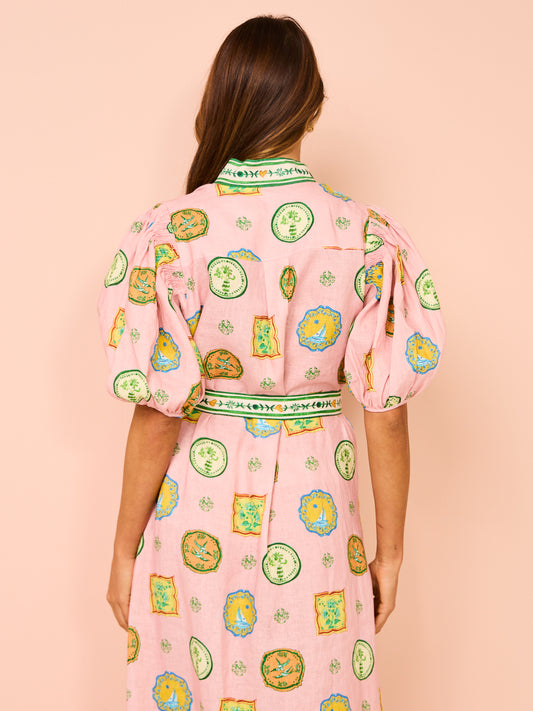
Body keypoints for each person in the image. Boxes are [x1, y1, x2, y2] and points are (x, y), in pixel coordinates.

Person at [97, 14, 446, 711]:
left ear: (221, 99)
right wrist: (390, 552)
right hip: (318, 511)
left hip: (196, 508)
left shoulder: (172, 232)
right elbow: (385, 411)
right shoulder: (365, 235)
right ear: (312, 107)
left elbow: (158, 413)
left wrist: (123, 549)